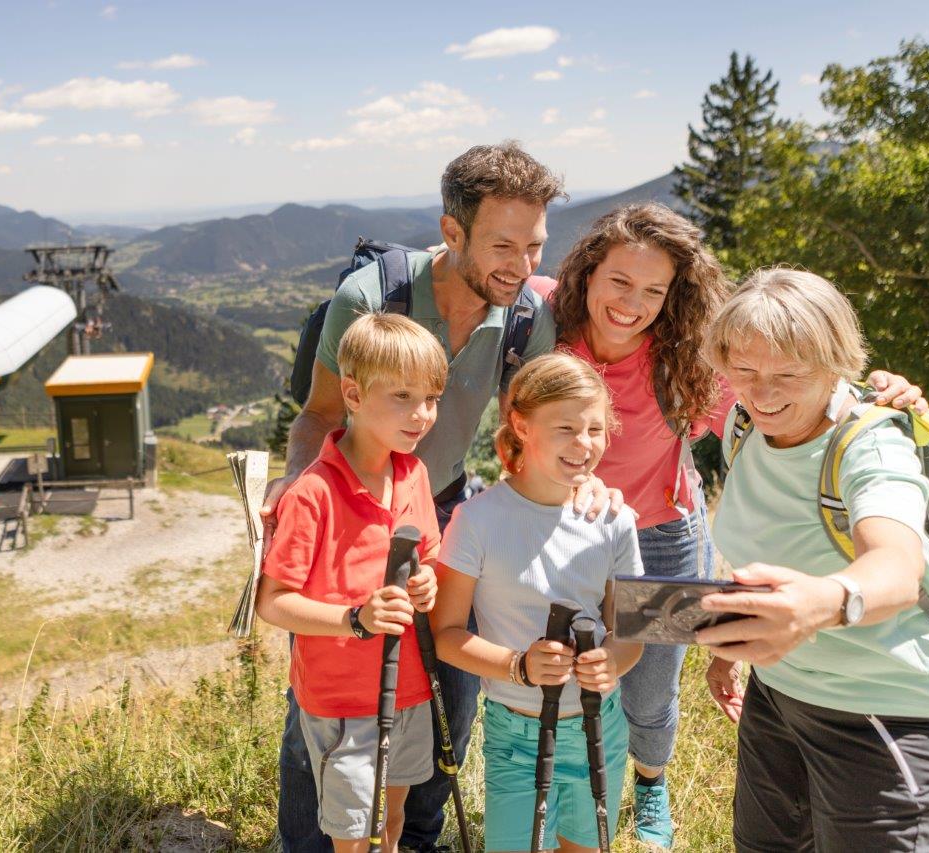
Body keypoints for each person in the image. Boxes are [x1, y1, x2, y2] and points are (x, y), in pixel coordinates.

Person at [261, 141, 623, 853]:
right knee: (333, 682)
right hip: (353, 501)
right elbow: (320, 413)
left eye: (535, 246)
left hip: (443, 501)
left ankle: (414, 837)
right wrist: (304, 493)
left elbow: (543, 418)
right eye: (502, 245)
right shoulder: (371, 300)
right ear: (452, 232)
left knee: (446, 688)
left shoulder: (524, 318)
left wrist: (585, 473)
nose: (522, 267)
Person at [544, 203, 927, 847]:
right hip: (564, 534)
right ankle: (573, 788)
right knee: (568, 666)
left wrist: (888, 399)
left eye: (654, 290)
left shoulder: (687, 361)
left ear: (675, 296)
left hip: (662, 536)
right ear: (586, 274)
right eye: (618, 281)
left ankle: (652, 783)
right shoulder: (542, 324)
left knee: (649, 686)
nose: (632, 302)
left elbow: (797, 391)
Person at [694, 267, 929, 852]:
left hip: (889, 714)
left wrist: (821, 603)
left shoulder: (870, 444)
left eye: (789, 374)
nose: (762, 393)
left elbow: (896, 565)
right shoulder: (744, 424)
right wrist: (737, 647)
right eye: (743, 371)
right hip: (781, 695)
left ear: (835, 364)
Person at [433, 353, 644, 852]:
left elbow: (632, 631)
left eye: (595, 429)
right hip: (515, 735)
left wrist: (611, 662)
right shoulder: (476, 520)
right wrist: (518, 666)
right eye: (566, 428)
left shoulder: (616, 520)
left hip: (600, 725)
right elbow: (445, 636)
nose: (584, 445)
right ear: (521, 426)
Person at [257, 313, 444, 853]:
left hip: (406, 686)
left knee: (393, 820)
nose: (422, 414)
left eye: (430, 397)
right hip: (341, 700)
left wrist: (426, 582)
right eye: (403, 396)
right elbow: (274, 603)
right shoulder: (313, 491)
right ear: (353, 394)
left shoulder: (413, 474)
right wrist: (353, 619)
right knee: (352, 833)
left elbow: (426, 559)